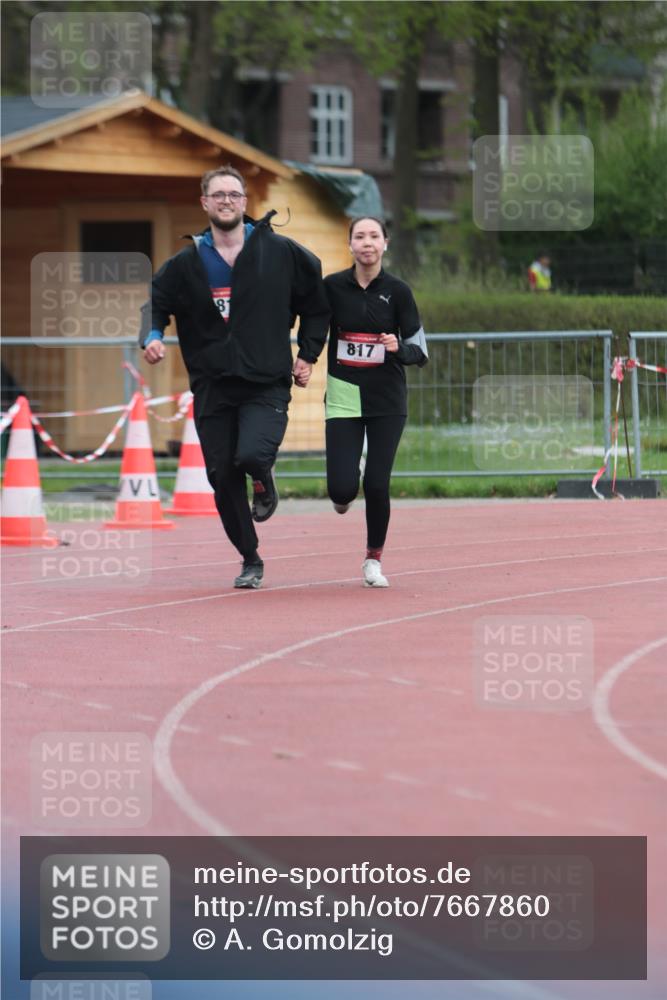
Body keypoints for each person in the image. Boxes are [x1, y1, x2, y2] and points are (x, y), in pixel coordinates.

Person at [141, 165, 329, 589]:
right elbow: (156, 302)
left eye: (234, 194)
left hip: (265, 378)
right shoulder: (187, 262)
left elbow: (316, 303)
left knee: (251, 456)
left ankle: (263, 478)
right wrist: (152, 335)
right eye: (218, 195)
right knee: (222, 476)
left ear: (245, 203)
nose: (226, 201)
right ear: (205, 203)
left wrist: (309, 353)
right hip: (213, 384)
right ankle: (250, 557)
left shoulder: (280, 252)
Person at [324, 217, 428, 588]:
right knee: (340, 490)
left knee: (378, 484)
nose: (366, 243)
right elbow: (312, 330)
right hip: (343, 395)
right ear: (349, 244)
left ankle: (373, 559)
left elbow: (420, 351)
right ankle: (346, 483)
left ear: (386, 243)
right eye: (359, 236)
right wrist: (303, 359)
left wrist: (398, 347)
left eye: (374, 236)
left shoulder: (399, 291)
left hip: (387, 398)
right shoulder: (332, 287)